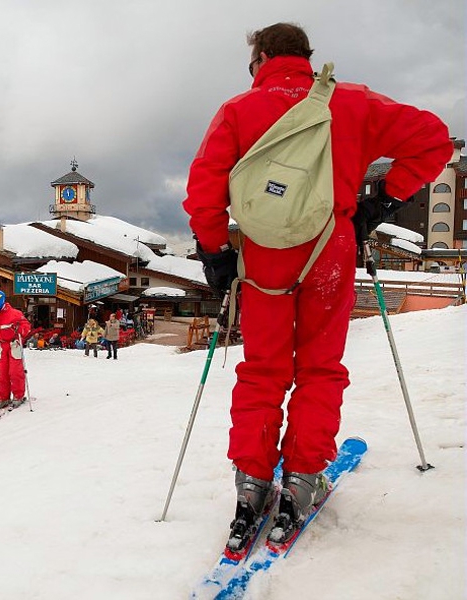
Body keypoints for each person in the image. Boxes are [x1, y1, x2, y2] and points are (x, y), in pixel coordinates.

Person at [182, 22, 452, 549]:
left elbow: (204, 188)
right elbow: (433, 141)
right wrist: (381, 203)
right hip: (331, 248)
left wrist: (215, 252)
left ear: (260, 58)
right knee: (320, 365)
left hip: (263, 255)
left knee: (262, 368)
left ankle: (252, 483)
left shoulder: (238, 111)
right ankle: (303, 478)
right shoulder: (351, 101)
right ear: (307, 58)